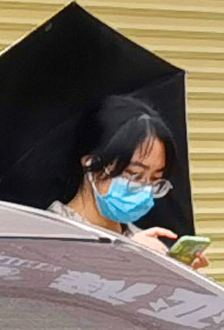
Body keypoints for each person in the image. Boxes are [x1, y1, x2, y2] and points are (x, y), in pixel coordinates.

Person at [53, 92, 190, 253]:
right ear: (92, 163)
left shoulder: (143, 241)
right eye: (134, 174)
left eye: (155, 180)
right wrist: (124, 252)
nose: (145, 190)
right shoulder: (48, 234)